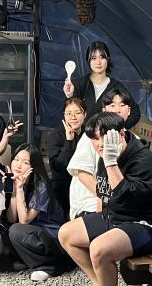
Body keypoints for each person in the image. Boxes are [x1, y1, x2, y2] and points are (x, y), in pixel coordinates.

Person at [58, 111, 152, 286]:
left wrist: (111, 163)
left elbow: (127, 198)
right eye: (94, 139)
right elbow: (105, 194)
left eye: (104, 137)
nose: (99, 144)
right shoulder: (106, 155)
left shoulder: (144, 160)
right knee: (67, 234)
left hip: (149, 224)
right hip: (119, 217)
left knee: (99, 248)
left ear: (121, 134)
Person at [66, 88, 134, 219]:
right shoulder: (93, 135)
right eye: (112, 105)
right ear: (104, 110)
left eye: (122, 105)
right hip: (90, 205)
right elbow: (82, 173)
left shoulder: (133, 139)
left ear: (129, 110)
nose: (117, 110)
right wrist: (105, 199)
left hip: (120, 207)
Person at [6, 144, 67, 282]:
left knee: (16, 230)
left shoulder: (41, 186)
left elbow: (24, 220)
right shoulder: (18, 182)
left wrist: (19, 189)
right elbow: (11, 218)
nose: (18, 165)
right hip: (34, 233)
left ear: (34, 167)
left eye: (25, 162)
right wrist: (14, 190)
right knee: (6, 228)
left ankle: (47, 267)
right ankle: (29, 260)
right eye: (16, 159)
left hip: (52, 238)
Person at [62, 41, 141, 129]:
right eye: (94, 58)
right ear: (88, 61)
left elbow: (135, 113)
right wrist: (69, 96)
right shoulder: (78, 84)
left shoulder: (116, 87)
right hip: (81, 135)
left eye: (102, 57)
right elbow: (68, 112)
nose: (98, 62)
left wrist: (118, 129)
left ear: (108, 59)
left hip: (105, 136)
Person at [48, 97, 87, 218]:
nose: (73, 117)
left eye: (77, 113)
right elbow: (58, 167)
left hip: (85, 180)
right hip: (64, 182)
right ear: (64, 115)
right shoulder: (55, 135)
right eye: (69, 113)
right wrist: (69, 141)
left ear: (85, 114)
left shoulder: (89, 134)